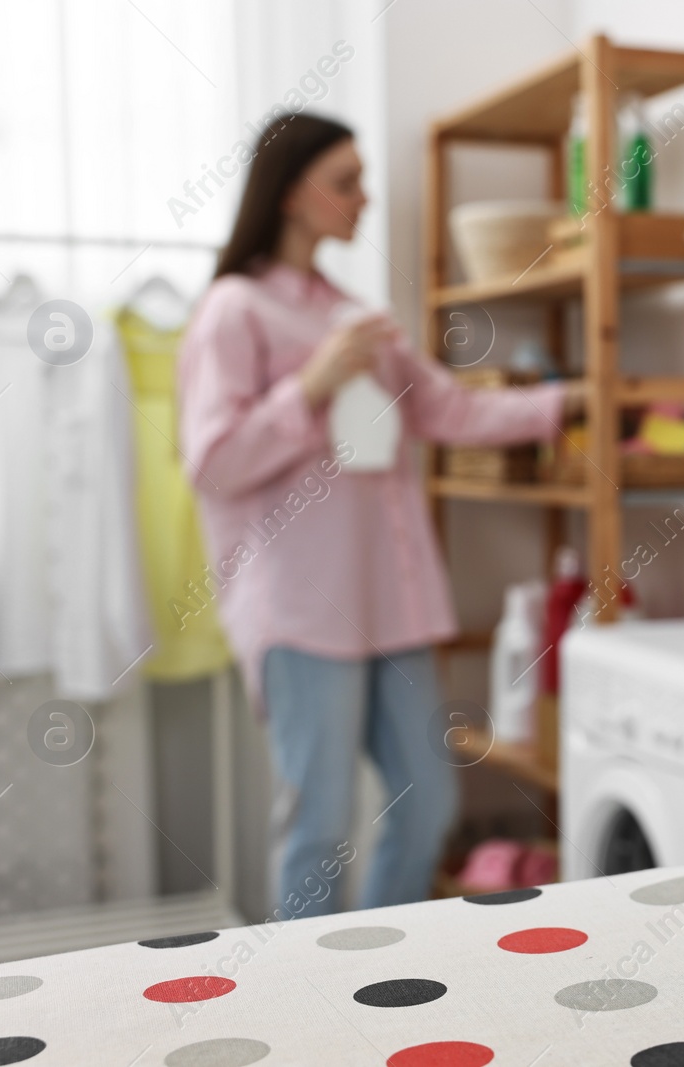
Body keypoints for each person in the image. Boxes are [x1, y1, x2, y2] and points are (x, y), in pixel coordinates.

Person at [178, 113, 575, 915]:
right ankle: (309, 1011)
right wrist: (312, 385)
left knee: (427, 808)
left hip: (393, 605)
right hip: (303, 609)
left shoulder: (358, 315)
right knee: (319, 827)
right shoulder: (236, 310)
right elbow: (214, 464)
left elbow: (452, 412)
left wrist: (571, 403)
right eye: (346, 180)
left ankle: (381, 982)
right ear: (293, 193)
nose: (364, 196)